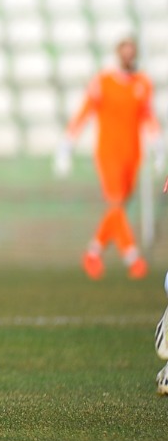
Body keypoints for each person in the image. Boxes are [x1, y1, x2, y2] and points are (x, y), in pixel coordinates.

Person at [57, 33, 162, 280]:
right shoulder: (103, 82)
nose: (128, 57)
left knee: (118, 209)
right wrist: (66, 146)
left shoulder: (142, 83)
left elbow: (148, 117)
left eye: (132, 52)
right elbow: (84, 112)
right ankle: (133, 257)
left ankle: (93, 252)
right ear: (118, 55)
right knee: (115, 203)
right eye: (124, 52)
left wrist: (158, 148)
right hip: (108, 153)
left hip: (133, 154)